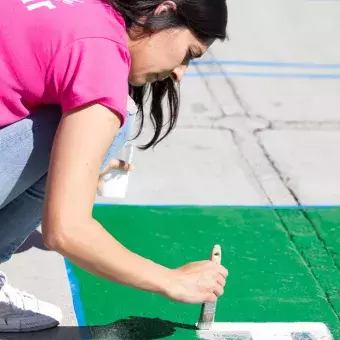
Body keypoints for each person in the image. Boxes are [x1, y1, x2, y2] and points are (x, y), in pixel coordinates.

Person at [0, 0, 229, 333]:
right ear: (164, 11)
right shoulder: (102, 55)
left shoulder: (87, 10)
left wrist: (79, 161)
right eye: (189, 54)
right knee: (121, 113)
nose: (180, 73)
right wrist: (171, 280)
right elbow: (66, 231)